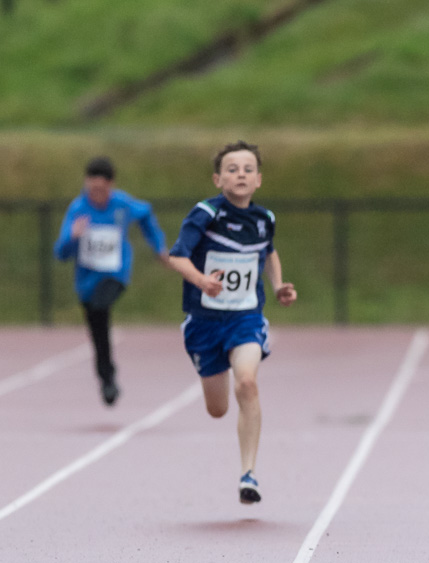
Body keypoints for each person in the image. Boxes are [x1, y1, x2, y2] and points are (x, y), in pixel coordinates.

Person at [167, 141, 297, 505]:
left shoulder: (264, 219)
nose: (240, 174)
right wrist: (201, 280)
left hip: (245, 317)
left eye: (247, 169)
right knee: (217, 409)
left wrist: (278, 285)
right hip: (205, 322)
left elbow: (268, 252)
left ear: (258, 179)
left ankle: (248, 475)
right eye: (232, 168)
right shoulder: (206, 213)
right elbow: (177, 257)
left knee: (248, 383)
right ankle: (213, 363)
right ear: (217, 178)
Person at [54, 157, 168, 406]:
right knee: (98, 332)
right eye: (92, 189)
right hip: (86, 282)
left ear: (111, 185)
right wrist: (72, 237)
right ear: (86, 184)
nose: (96, 195)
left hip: (115, 275)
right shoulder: (78, 209)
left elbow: (146, 214)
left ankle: (107, 378)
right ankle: (107, 379)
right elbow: (60, 253)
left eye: (102, 190)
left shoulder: (122, 204)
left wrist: (159, 246)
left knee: (100, 307)